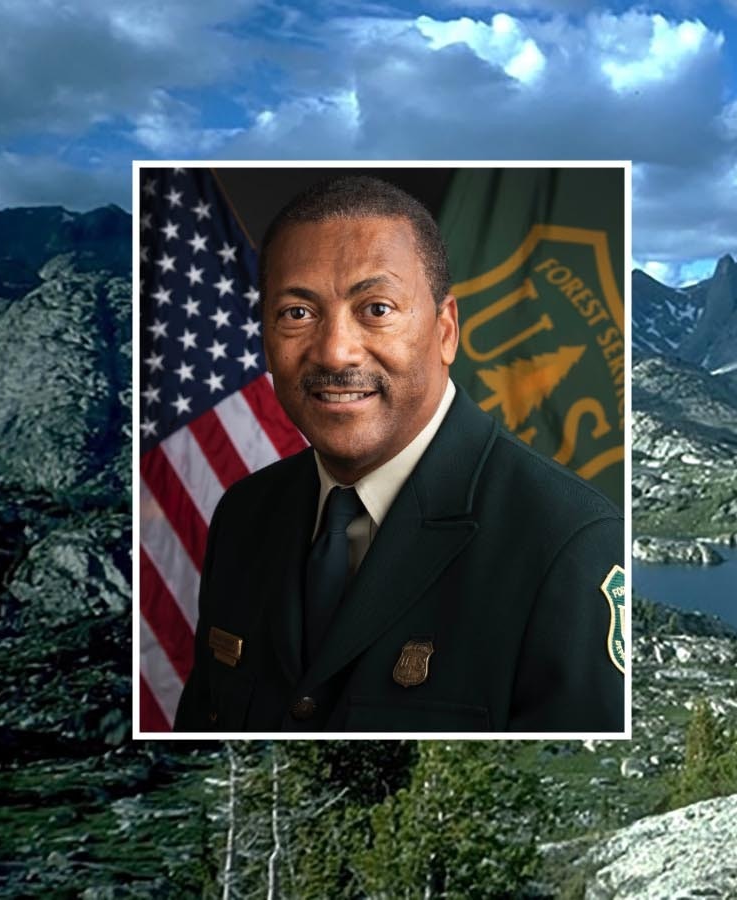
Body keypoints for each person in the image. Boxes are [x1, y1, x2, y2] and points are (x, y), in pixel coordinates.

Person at [173, 175, 626, 733]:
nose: (335, 350)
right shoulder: (244, 516)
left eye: (377, 308)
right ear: (265, 334)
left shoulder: (567, 542)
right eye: (297, 313)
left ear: (445, 332)